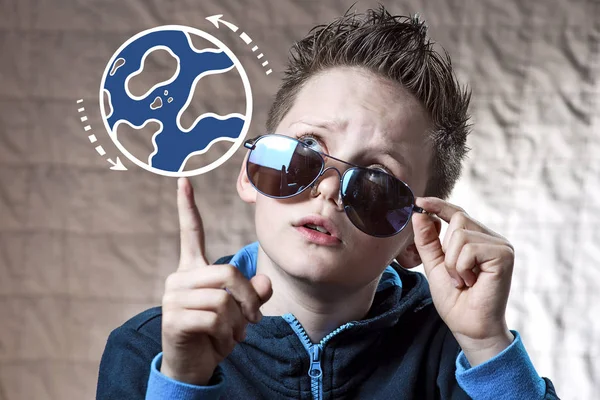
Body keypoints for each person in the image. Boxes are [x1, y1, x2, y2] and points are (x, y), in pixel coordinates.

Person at [96, 6, 560, 399]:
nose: (328, 190)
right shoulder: (149, 349)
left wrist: (488, 346)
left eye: (377, 182)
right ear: (250, 173)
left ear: (416, 240)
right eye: (302, 154)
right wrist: (182, 380)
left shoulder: (461, 356)